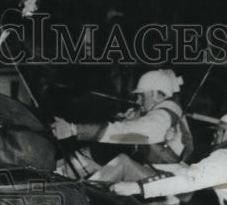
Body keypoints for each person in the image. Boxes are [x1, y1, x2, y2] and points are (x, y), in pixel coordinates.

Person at [51, 68, 193, 180]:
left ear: (156, 94)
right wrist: (124, 119)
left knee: (121, 162)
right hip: (153, 170)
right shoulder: (162, 110)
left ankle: (88, 201)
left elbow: (124, 133)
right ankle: (57, 171)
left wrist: (74, 129)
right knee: (104, 149)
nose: (138, 101)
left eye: (141, 96)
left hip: (169, 183)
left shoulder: (162, 118)